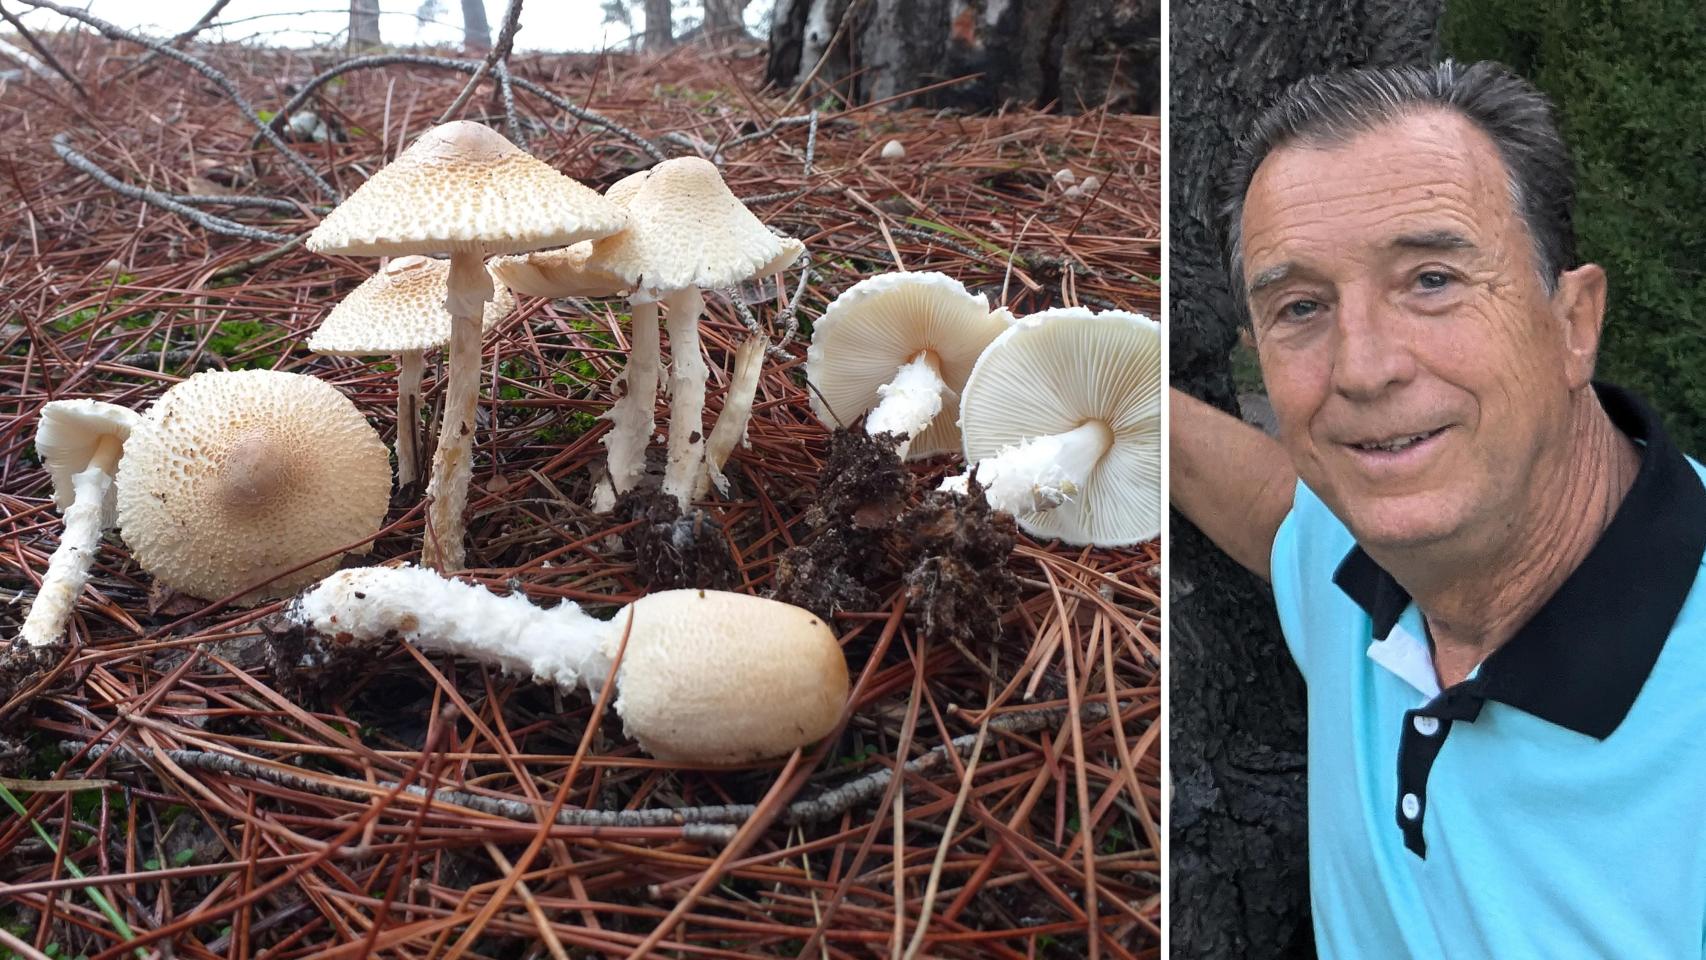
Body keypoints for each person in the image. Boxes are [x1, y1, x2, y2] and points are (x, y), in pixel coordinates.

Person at [1171, 60, 1706, 958]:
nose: (1364, 367)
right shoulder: (1354, 561)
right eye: (1301, 306)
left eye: (1431, 280)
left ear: (1574, 321)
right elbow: (1274, 508)